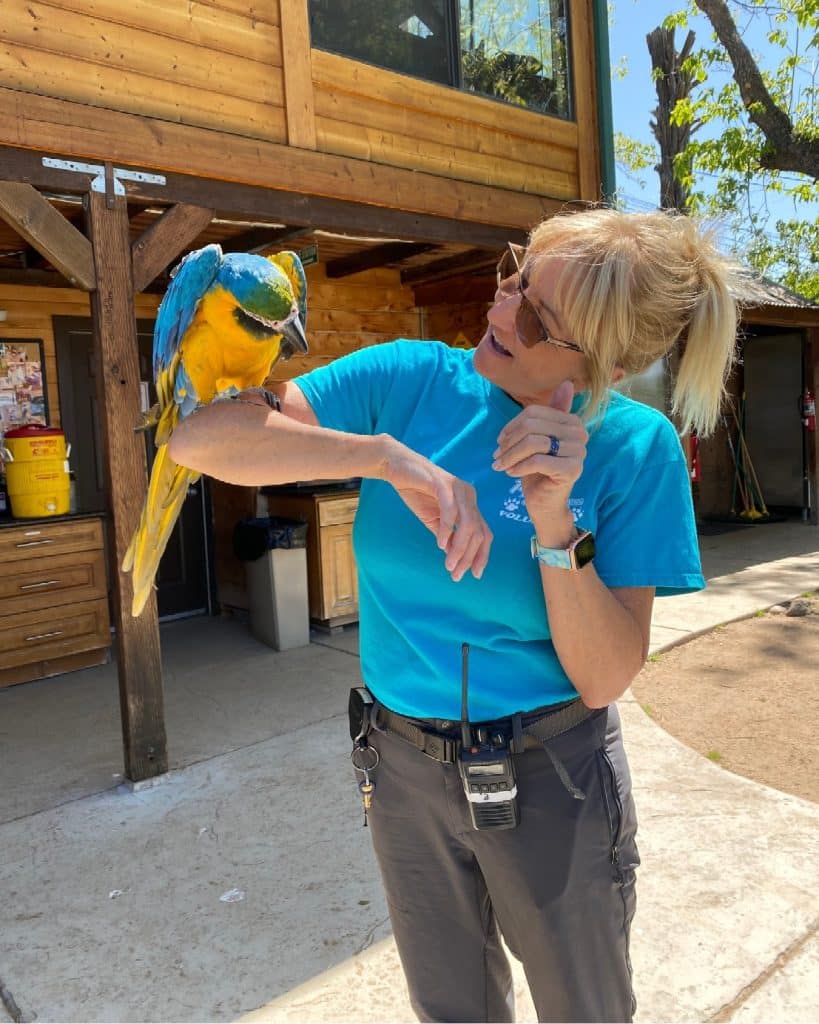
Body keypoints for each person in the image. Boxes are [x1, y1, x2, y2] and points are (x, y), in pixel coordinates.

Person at [169, 207, 743, 1023]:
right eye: (515, 275)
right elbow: (200, 441)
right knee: (451, 1011)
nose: (499, 306)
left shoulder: (634, 447)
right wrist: (383, 457)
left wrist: (555, 523)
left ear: (603, 361)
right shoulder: (408, 381)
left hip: (554, 779)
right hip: (399, 771)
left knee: (585, 1007)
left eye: (538, 316)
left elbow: (607, 673)